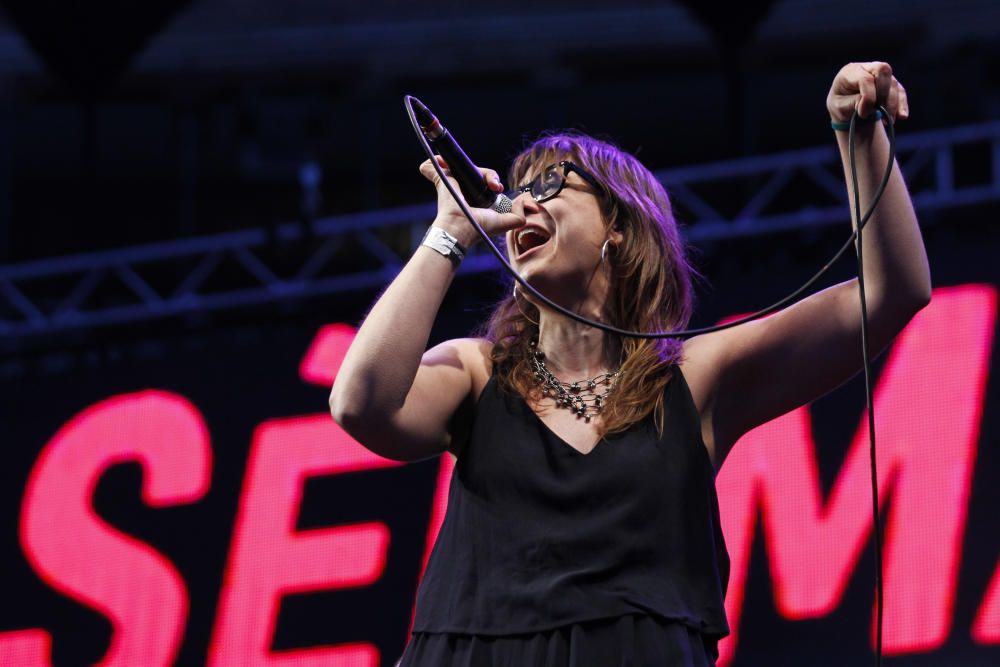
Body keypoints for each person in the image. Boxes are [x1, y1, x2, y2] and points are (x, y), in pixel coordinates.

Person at [329, 61, 930, 666]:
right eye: (512, 194)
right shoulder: (476, 373)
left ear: (617, 224)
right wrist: (451, 231)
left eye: (547, 185)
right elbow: (360, 404)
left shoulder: (694, 378)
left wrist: (859, 137)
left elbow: (890, 292)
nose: (517, 209)